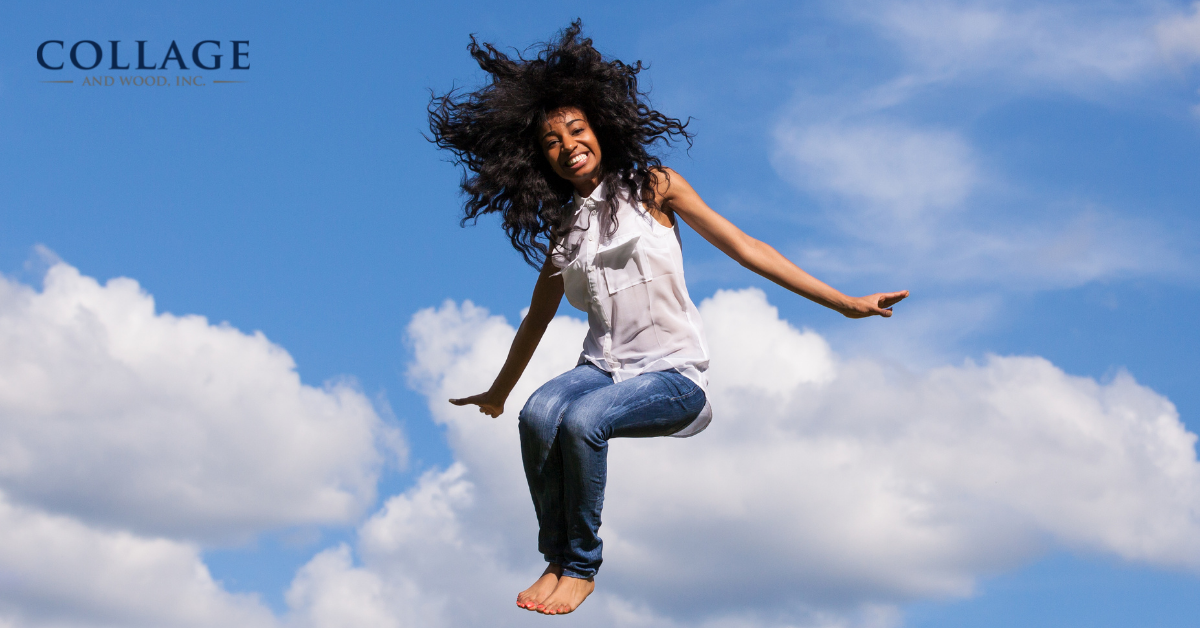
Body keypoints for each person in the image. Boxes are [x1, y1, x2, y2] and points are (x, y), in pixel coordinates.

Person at [429, 21, 907, 616]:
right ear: (539, 159)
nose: (567, 144)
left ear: (601, 129)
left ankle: (581, 565)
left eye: (577, 130)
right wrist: (500, 392)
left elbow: (745, 247)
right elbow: (534, 320)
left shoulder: (653, 186)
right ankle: (555, 556)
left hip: (672, 376)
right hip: (602, 367)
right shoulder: (566, 232)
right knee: (538, 414)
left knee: (580, 423)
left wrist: (845, 302)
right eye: (551, 141)